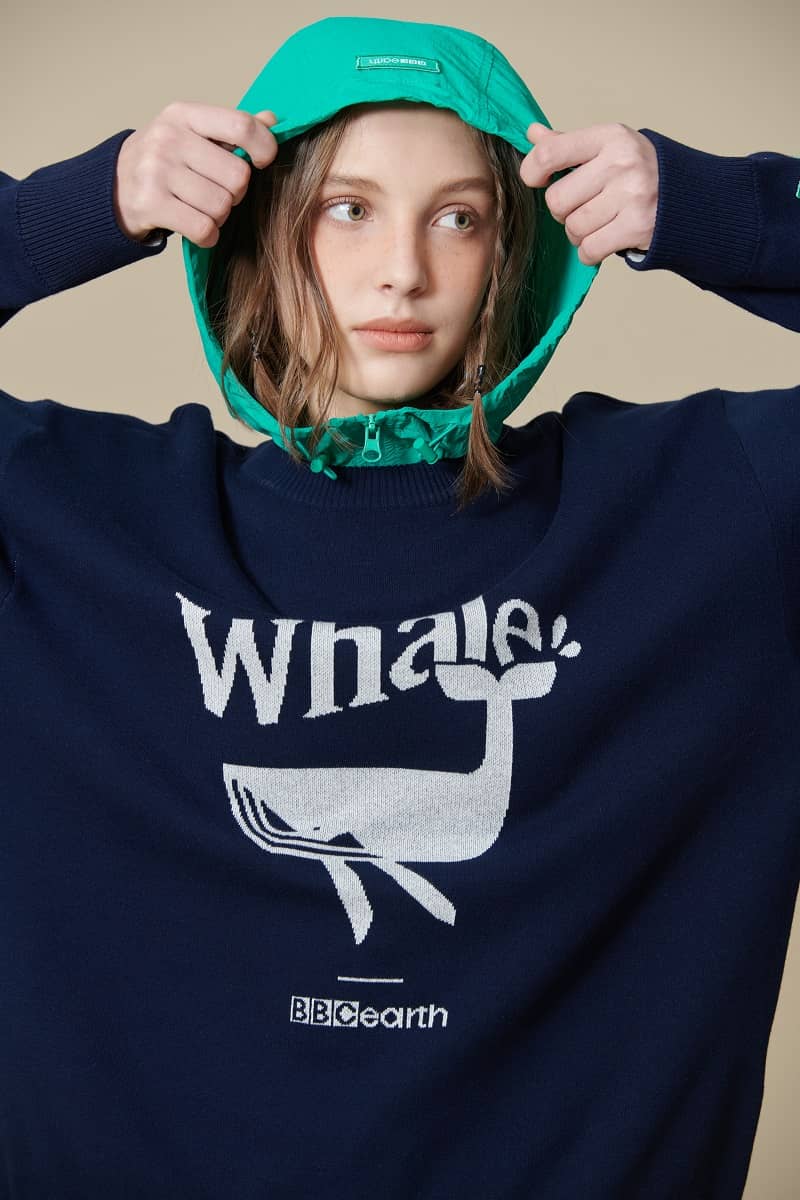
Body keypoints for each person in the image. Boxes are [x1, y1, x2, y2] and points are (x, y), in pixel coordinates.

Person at [1, 14, 798, 1200]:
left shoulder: (706, 511)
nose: (402, 272)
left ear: (516, 251)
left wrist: (721, 214)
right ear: (257, 228)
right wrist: (77, 208)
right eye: (347, 208)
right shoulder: (72, 522)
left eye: (458, 217)